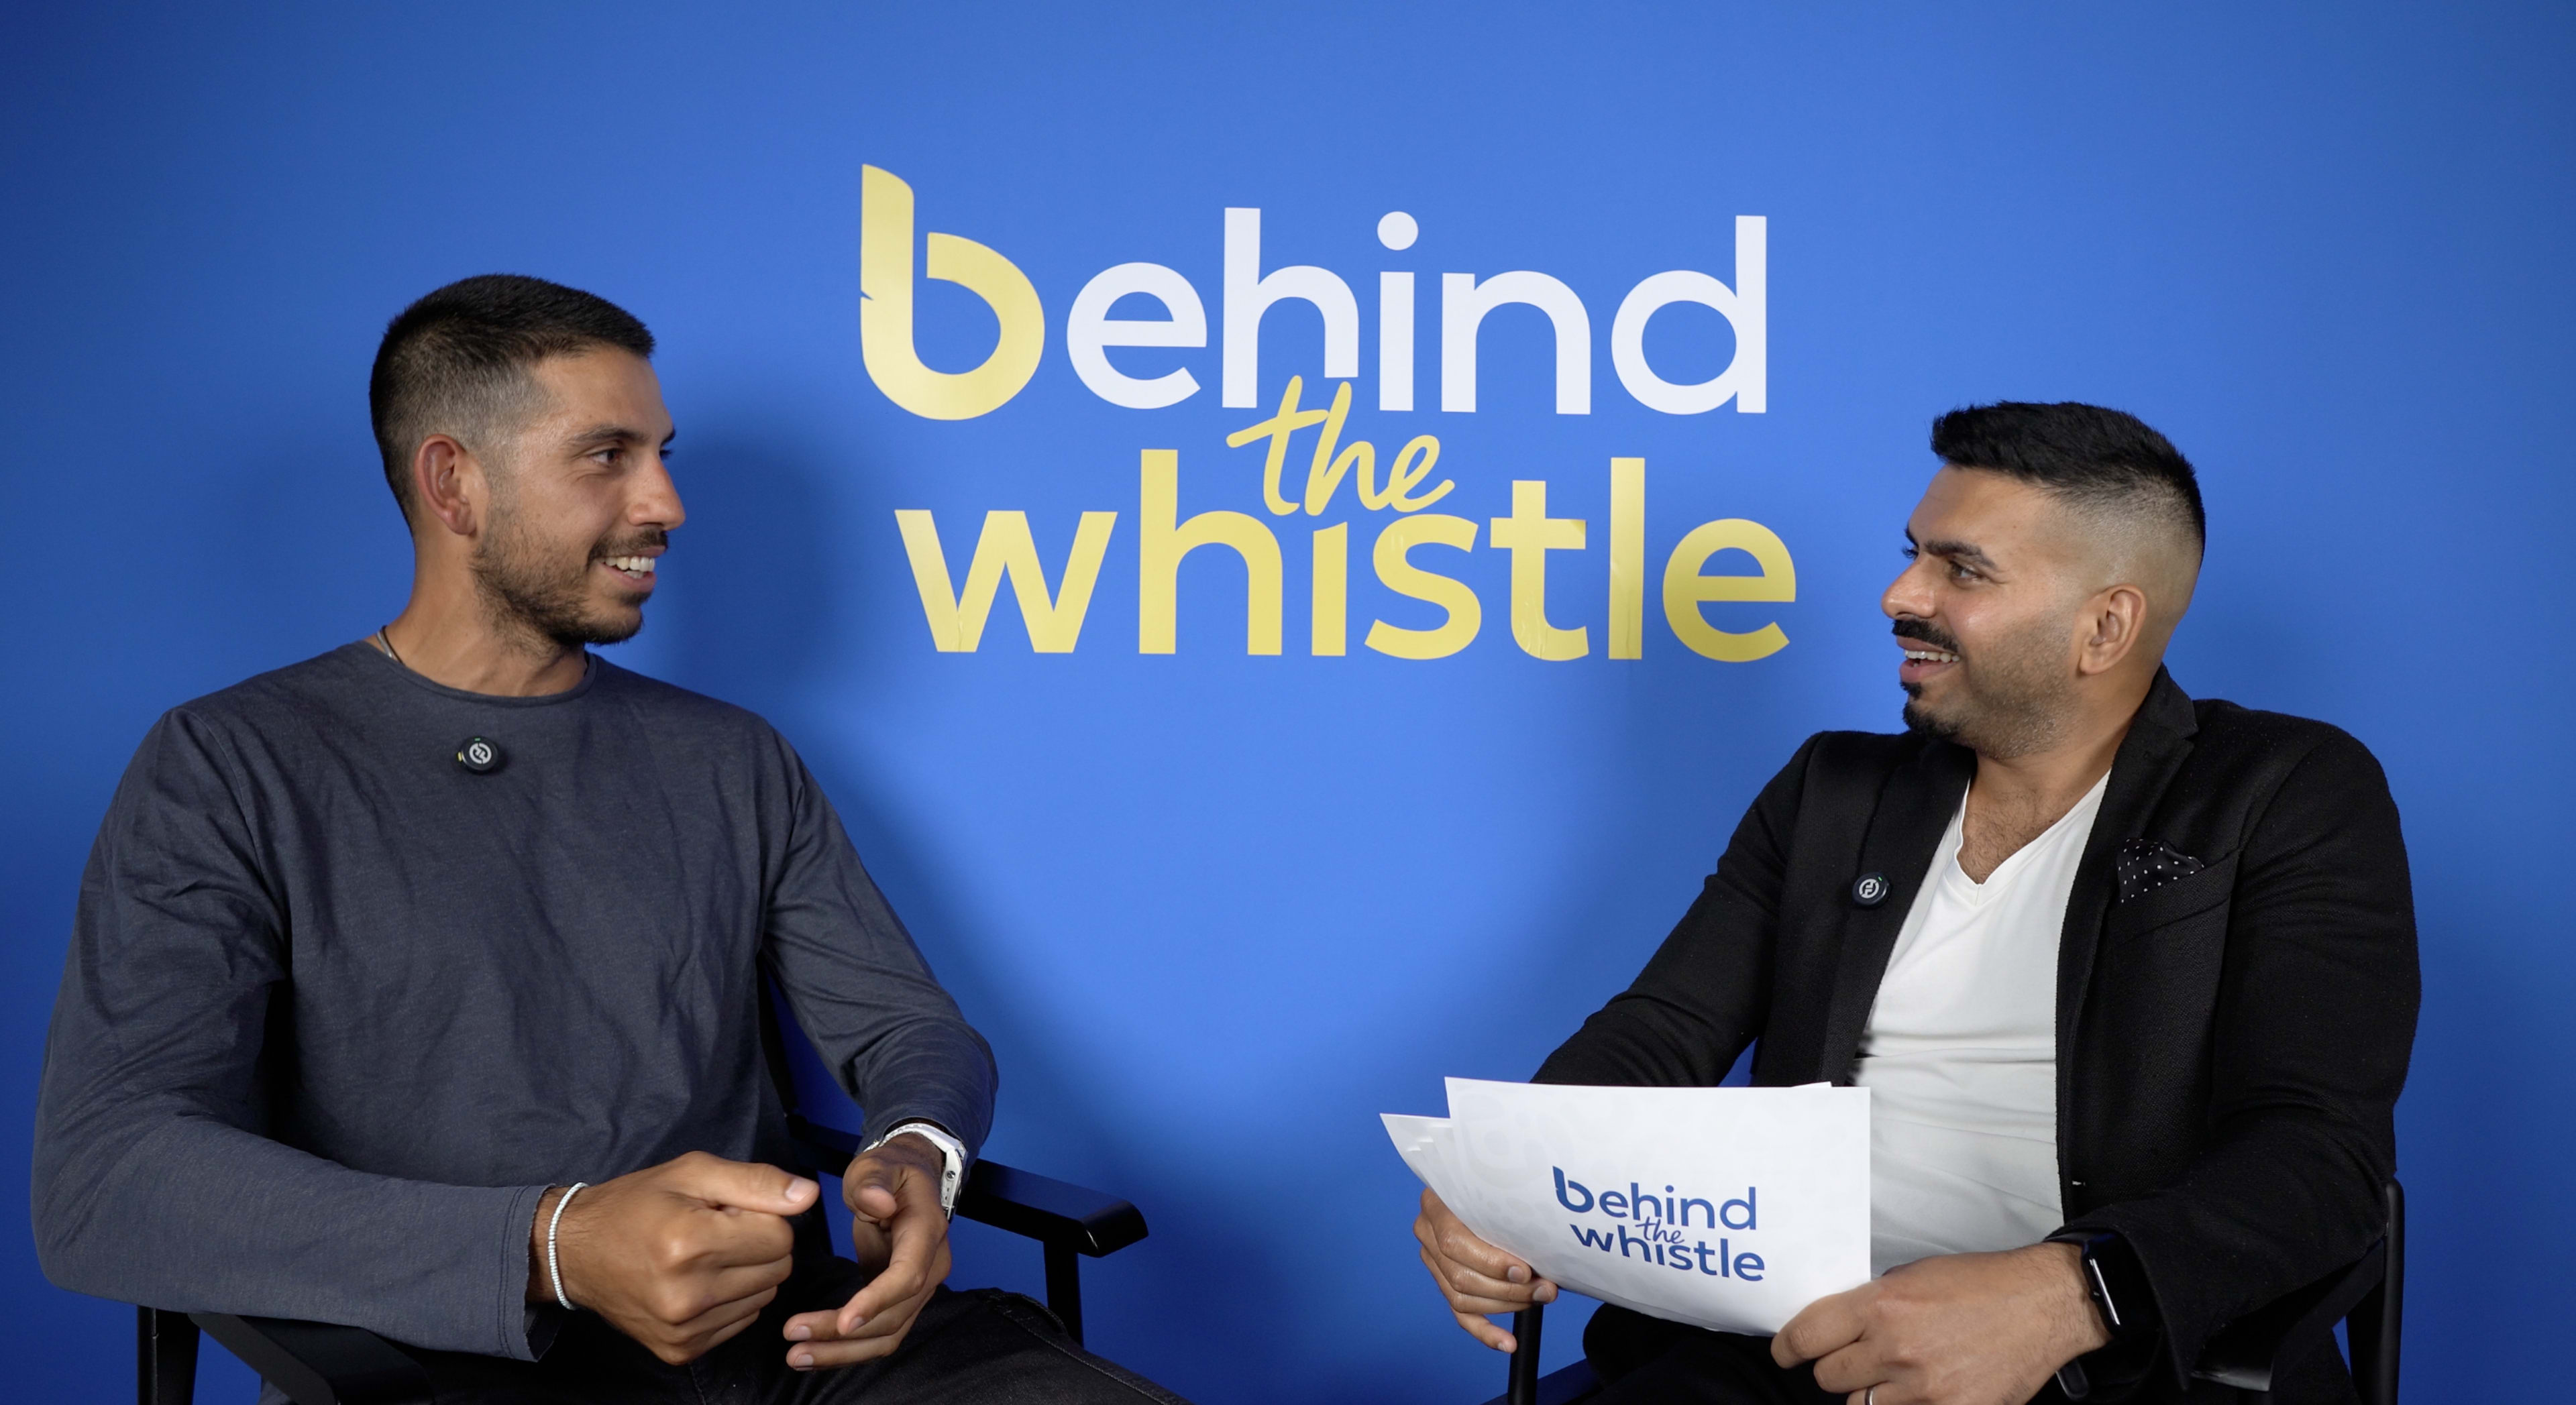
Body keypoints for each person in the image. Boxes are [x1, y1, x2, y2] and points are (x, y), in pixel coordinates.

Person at [34, 274, 1185, 1405]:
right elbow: (112, 1175)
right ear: (455, 484)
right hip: (436, 1365)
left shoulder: (732, 758)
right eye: (606, 457)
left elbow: (906, 1027)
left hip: (795, 1345)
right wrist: (556, 1244)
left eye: (663, 454)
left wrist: (915, 1154)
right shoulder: (230, 763)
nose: (666, 506)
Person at [1411, 403, 2417, 1405]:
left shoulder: (2287, 791)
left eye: (1962, 569)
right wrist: (1509, 1172)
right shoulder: (1833, 792)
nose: (1901, 592)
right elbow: (1662, 1030)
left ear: (2104, 627)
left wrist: (2072, 1293)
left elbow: (2320, 1155)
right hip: (1785, 1348)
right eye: (1913, 554)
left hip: (2110, 1361)